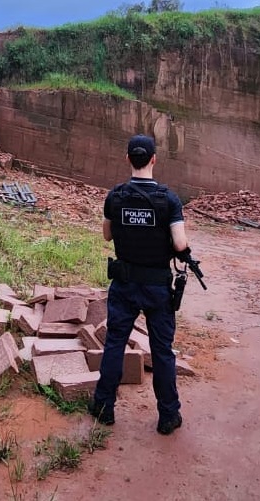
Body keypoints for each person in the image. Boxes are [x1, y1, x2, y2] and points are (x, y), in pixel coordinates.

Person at [88, 134, 192, 435]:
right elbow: (180, 244)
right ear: (154, 159)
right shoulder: (169, 199)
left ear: (127, 159)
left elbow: (107, 235)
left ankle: (104, 407)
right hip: (157, 287)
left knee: (115, 344)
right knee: (162, 351)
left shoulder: (115, 196)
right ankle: (168, 416)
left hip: (124, 284)